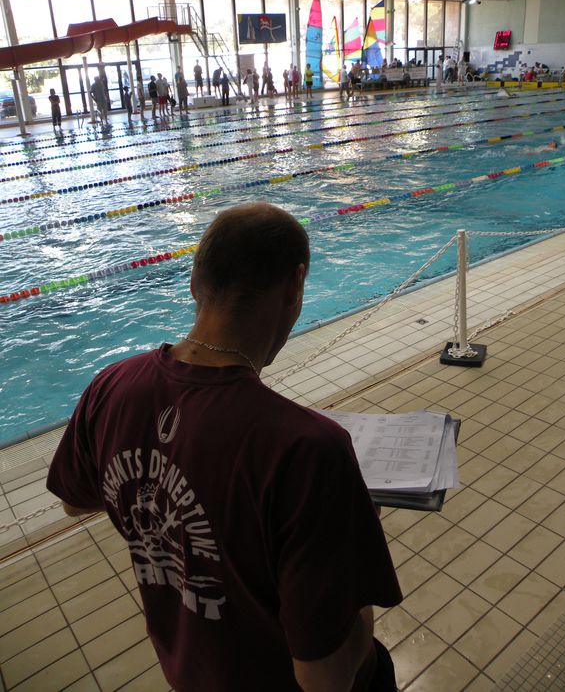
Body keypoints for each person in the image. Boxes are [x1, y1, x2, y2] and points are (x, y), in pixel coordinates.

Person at [47, 202, 402, 692]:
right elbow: (325, 680)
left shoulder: (110, 388)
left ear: (195, 282)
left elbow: (74, 500)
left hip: (190, 673)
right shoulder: (308, 450)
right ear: (296, 286)